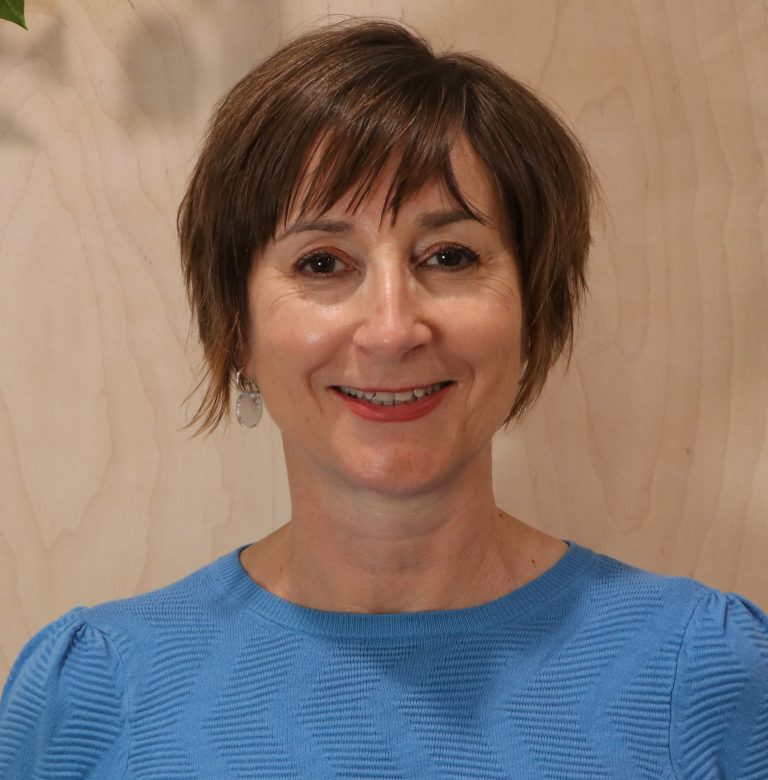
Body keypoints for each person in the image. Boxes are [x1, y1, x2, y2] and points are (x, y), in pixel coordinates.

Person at [1, 19, 766, 779]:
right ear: (237, 329)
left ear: (534, 310)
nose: (393, 329)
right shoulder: (93, 695)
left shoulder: (709, 676)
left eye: (450, 256)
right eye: (323, 263)